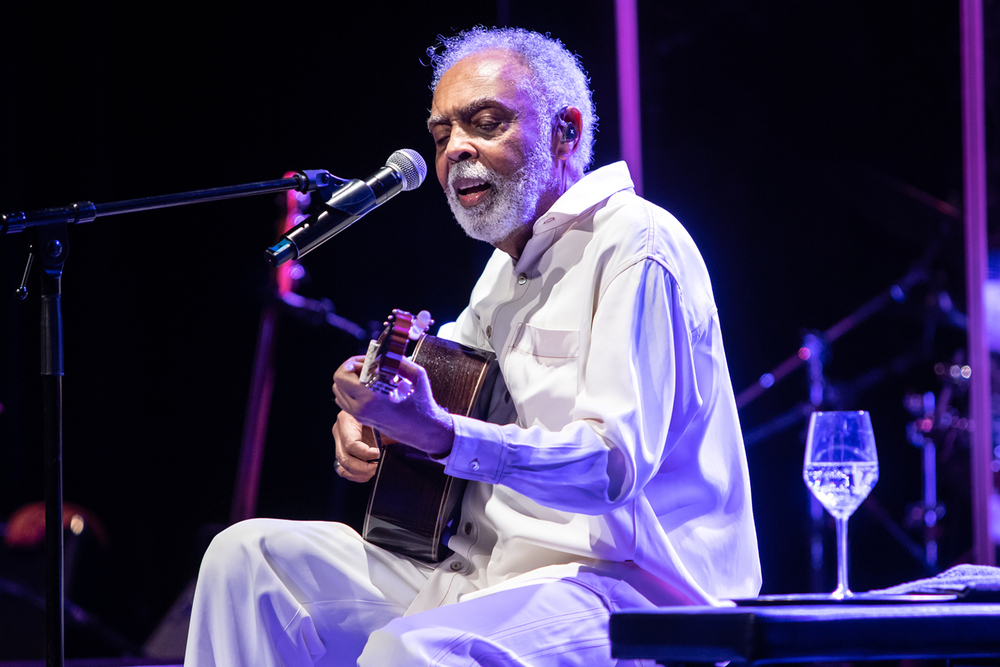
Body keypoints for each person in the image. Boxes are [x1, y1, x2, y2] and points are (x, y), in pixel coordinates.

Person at [184, 26, 761, 667]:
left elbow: (613, 467)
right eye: (440, 136)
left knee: (411, 652)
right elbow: (431, 393)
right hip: (489, 573)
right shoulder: (505, 266)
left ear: (564, 133)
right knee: (249, 560)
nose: (457, 149)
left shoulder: (637, 243)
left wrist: (440, 435)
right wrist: (373, 418)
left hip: (624, 589)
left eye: (484, 124)